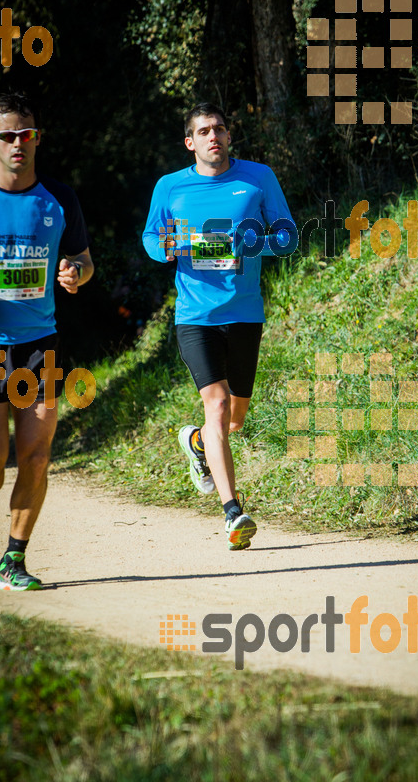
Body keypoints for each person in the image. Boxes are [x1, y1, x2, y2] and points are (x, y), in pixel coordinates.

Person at [143, 102, 295, 550]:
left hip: (245, 313)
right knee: (218, 404)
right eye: (204, 131)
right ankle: (233, 512)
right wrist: (165, 249)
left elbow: (288, 236)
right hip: (195, 316)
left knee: (234, 419)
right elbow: (152, 237)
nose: (214, 136)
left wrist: (255, 243)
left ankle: (195, 443)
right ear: (190, 142)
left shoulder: (258, 178)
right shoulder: (170, 186)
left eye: (221, 129)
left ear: (229, 137)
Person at [0, 92, 93, 589]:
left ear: (36, 138)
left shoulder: (58, 199)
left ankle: (13, 562)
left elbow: (84, 261)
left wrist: (75, 275)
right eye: (7, 136)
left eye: (26, 134)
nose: (17, 144)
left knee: (37, 455)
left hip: (39, 343)